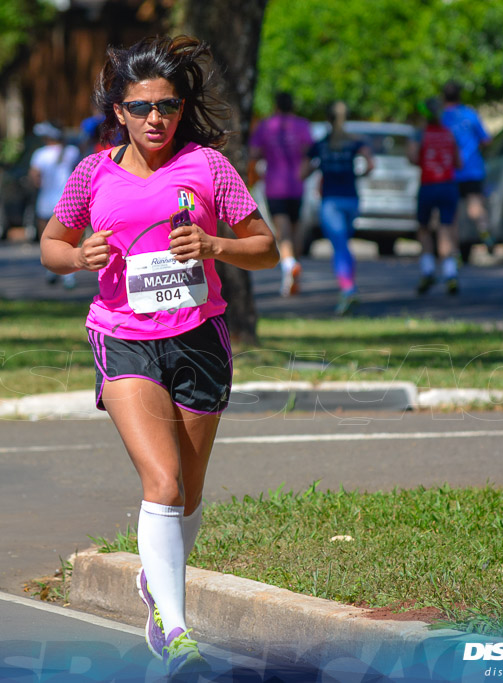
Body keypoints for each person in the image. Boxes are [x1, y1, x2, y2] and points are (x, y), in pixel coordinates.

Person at [40, 35, 278, 676]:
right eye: (141, 107)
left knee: (189, 492)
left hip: (200, 337)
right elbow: (52, 244)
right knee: (163, 482)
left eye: (168, 106)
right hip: (123, 334)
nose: (156, 119)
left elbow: (267, 247)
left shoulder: (209, 166)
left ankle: (158, 585)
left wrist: (214, 245)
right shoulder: (93, 173)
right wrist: (75, 257)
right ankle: (177, 633)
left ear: (181, 108)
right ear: (118, 110)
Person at [306, 100, 373, 315]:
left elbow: (302, 172)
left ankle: (348, 290)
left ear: (328, 118)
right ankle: (349, 287)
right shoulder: (354, 143)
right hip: (352, 200)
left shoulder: (321, 144)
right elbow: (370, 164)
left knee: (340, 246)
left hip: (331, 201)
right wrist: (359, 174)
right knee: (344, 244)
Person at [248, 91, 312, 296]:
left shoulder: (266, 126)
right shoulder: (302, 125)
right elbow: (309, 153)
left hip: (275, 186)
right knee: (295, 230)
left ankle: (289, 267)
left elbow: (253, 153)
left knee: (282, 232)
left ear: (275, 105)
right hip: (297, 186)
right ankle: (295, 269)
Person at [408, 97, 462, 295]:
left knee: (423, 228)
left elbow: (413, 158)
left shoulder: (420, 134)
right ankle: (450, 273)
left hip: (429, 185)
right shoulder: (449, 134)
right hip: (448, 186)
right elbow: (459, 163)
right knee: (446, 229)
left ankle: (428, 269)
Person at [440, 80, 492, 251]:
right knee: (475, 205)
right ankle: (484, 233)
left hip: (450, 172)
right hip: (472, 168)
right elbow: (486, 140)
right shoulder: (470, 114)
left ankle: (454, 252)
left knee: (451, 214)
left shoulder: (441, 117)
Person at [29, 121, 80, 287]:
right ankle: (69, 276)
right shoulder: (72, 152)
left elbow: (35, 177)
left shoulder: (40, 154)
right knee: (70, 240)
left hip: (46, 199)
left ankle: (52, 270)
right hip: (68, 201)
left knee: (49, 238)